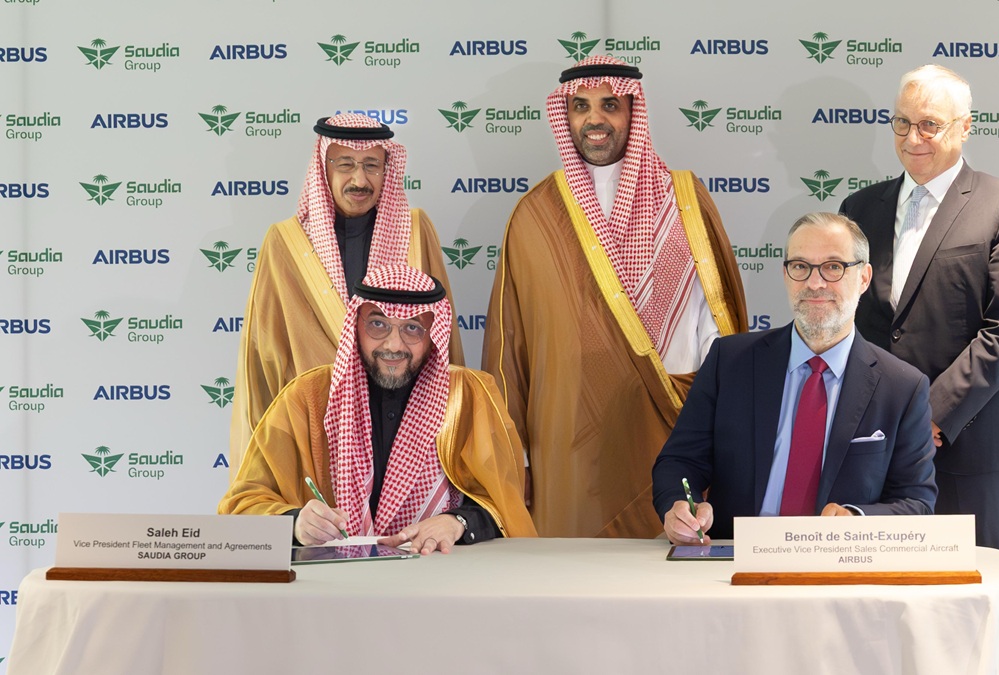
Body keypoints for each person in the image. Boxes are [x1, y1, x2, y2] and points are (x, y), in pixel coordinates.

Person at [483, 55, 747, 538]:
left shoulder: (683, 199)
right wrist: (511, 455)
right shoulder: (533, 216)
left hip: (673, 427)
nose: (594, 119)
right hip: (568, 445)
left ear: (634, 112)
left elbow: (719, 328)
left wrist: (717, 425)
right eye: (580, 106)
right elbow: (508, 347)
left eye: (610, 105)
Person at [839, 65, 999, 551]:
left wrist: (930, 412)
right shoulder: (859, 209)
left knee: (967, 597)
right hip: (873, 439)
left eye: (930, 124)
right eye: (902, 123)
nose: (913, 138)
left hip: (968, 439)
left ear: (965, 126)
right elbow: (848, 322)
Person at [652, 213, 937, 544]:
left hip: (837, 568)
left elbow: (917, 503)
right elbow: (680, 461)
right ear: (785, 274)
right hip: (733, 561)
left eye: (833, 267)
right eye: (800, 266)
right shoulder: (729, 362)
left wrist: (857, 519)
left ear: (863, 277)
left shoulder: (902, 386)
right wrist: (680, 506)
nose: (815, 283)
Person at [220, 265, 535, 553]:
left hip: (441, 579)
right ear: (355, 326)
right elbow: (243, 504)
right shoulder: (307, 398)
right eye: (378, 325)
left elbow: (506, 504)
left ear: (433, 334)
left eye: (412, 328)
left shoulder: (469, 396)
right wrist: (295, 522)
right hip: (333, 589)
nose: (394, 346)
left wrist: (458, 522)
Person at [228, 113, 464, 479]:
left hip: (407, 426)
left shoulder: (415, 230)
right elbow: (265, 354)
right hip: (318, 428)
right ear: (324, 169)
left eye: (372, 165)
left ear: (387, 169)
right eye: (345, 165)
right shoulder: (285, 242)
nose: (359, 179)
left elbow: (443, 339)